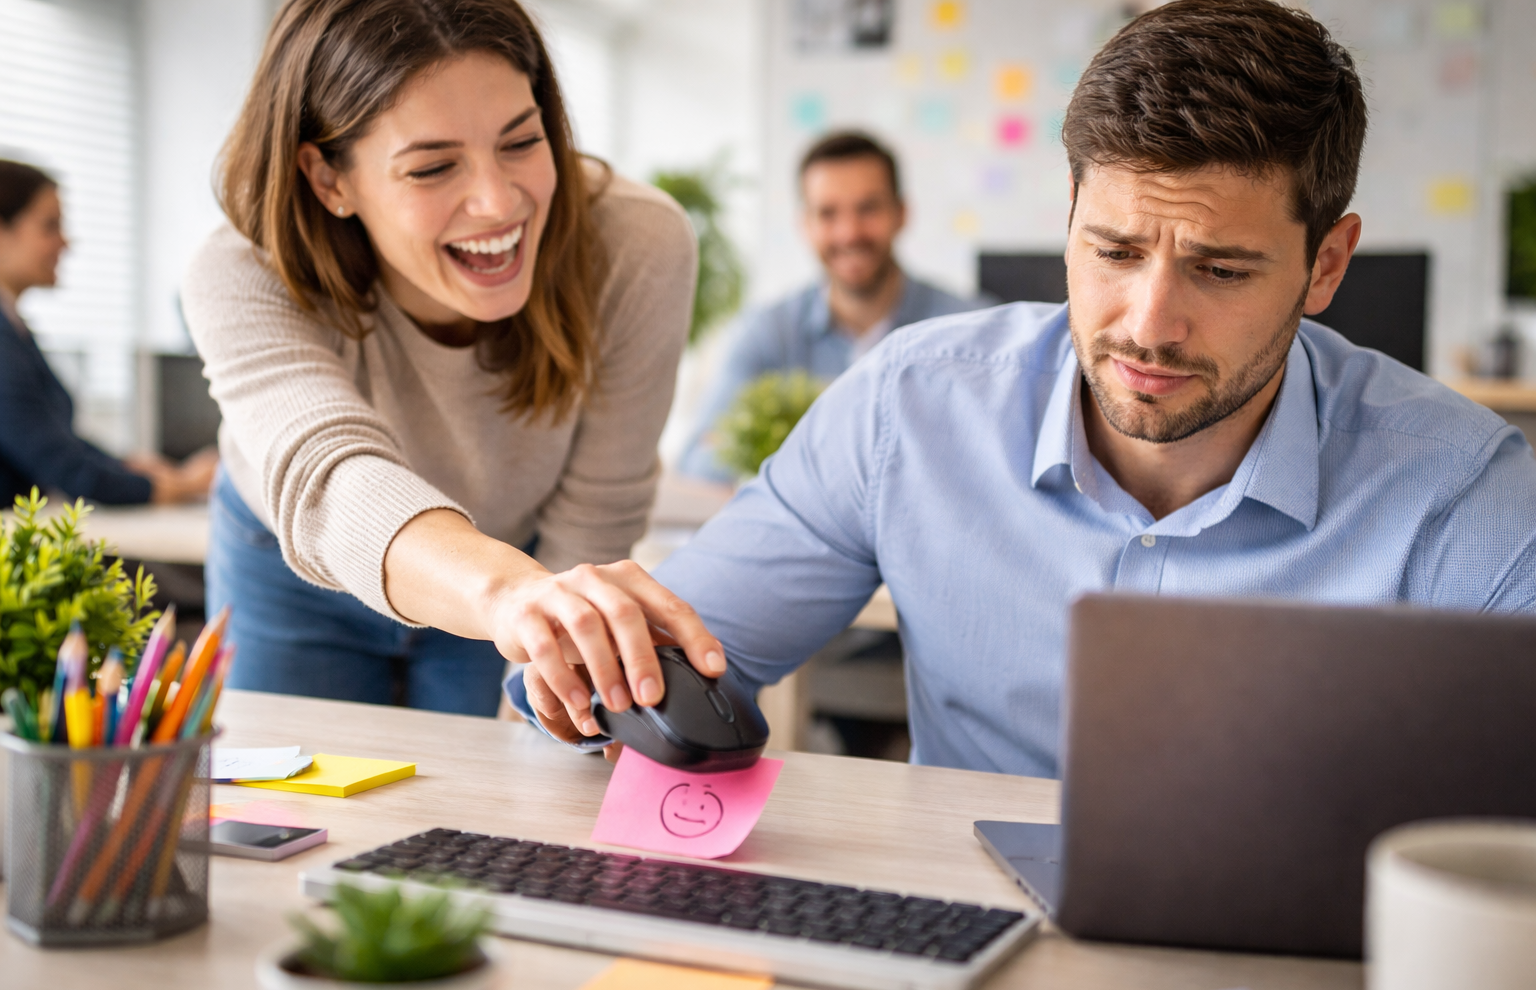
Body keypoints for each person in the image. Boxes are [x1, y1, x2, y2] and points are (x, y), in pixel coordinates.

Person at [514, 0, 1536, 776]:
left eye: (1220, 270)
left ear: (1326, 266)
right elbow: (669, 671)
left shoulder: (1461, 489)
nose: (1148, 322)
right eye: (1115, 249)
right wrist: (583, 677)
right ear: (1068, 218)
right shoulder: (910, 408)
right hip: (959, 959)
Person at [181, 0, 725, 718]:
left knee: (507, 791)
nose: (498, 202)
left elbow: (599, 506)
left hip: (520, 563)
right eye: (434, 167)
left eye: (522, 142)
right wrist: (509, 595)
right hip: (296, 569)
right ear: (328, 180)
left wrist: (550, 654)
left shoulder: (635, 244)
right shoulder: (245, 268)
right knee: (297, 811)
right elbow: (332, 480)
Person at [678, 131, 988, 481]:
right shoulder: (767, 332)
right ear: (806, 225)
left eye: (868, 209)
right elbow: (698, 462)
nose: (848, 233)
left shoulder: (972, 329)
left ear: (901, 213)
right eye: (828, 213)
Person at [0, 159, 216, 507]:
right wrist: (184, 485)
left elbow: (57, 440)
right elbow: (65, 467)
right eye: (49, 226)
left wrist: (127, 467)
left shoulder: (13, 328)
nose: (65, 243)